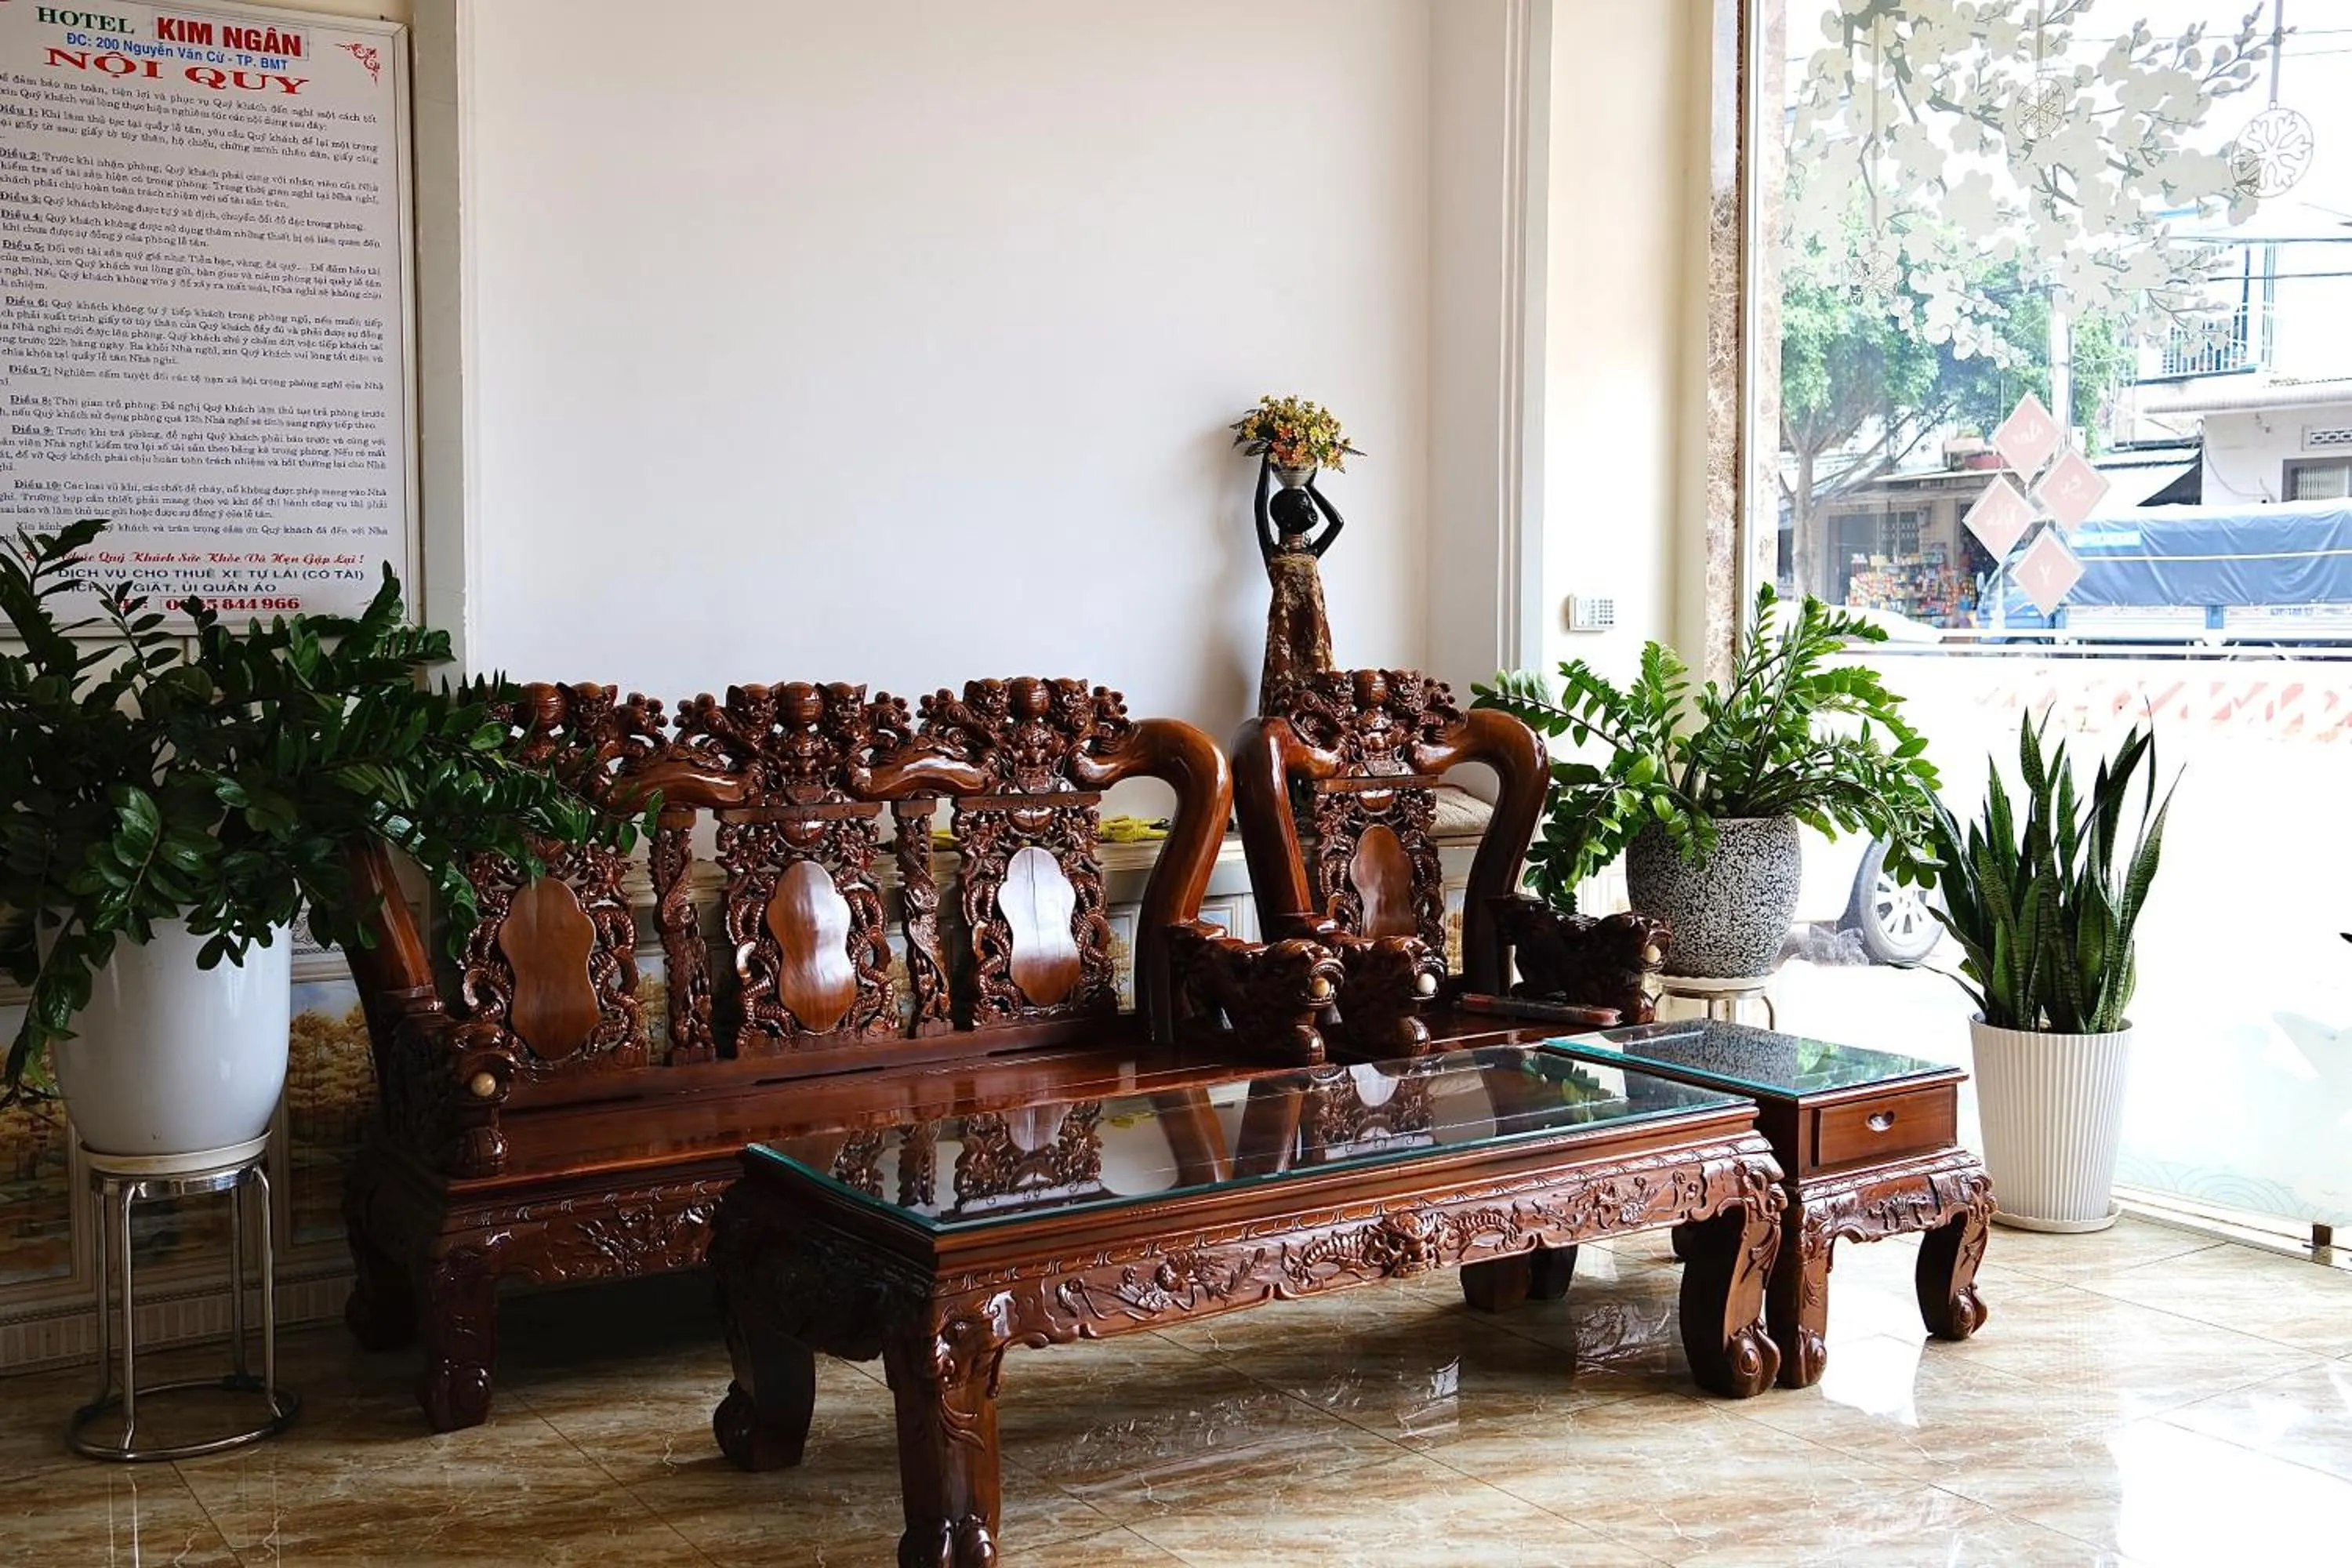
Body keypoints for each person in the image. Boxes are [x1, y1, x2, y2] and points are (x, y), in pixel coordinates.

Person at [1254, 457, 1345, 713]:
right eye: (1304, 504)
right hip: (1285, 631)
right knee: (1284, 692)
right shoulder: (1273, 553)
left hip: (1315, 628)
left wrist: (1311, 487)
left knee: (1320, 689)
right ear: (1285, 516)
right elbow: (1259, 509)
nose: (1309, 509)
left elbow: (1337, 522)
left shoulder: (1312, 551)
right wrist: (1265, 465)